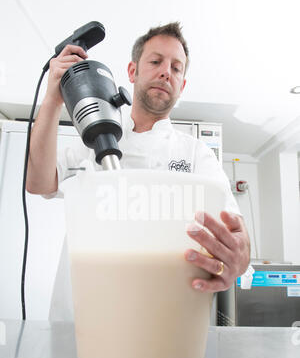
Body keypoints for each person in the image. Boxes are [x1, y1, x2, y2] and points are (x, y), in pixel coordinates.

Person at [27, 22, 250, 309]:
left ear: (182, 85)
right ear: (132, 72)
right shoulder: (92, 140)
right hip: (81, 311)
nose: (165, 72)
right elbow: (38, 182)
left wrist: (239, 257)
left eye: (176, 68)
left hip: (159, 316)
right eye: (156, 61)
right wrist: (53, 99)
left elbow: (235, 227)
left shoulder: (196, 155)